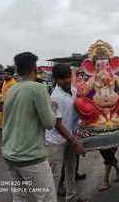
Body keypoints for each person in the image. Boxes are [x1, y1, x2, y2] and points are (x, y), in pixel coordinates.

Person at [2, 52, 57, 202]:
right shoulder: (38, 88)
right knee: (47, 198)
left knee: (20, 197)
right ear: (34, 69)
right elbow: (49, 123)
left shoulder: (11, 89)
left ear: (17, 69)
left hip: (9, 154)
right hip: (31, 156)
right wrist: (53, 109)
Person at [45, 63, 88, 202]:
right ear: (56, 80)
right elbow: (57, 125)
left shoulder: (74, 91)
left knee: (71, 169)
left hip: (70, 136)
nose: (67, 80)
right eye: (63, 78)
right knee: (55, 176)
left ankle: (72, 197)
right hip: (56, 141)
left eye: (69, 77)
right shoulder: (55, 97)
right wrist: (75, 141)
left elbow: (80, 110)